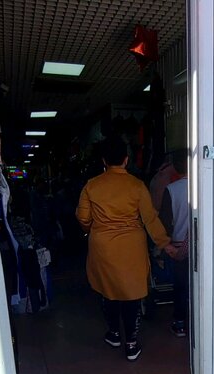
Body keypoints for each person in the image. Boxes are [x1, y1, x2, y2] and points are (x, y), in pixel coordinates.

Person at [77, 138, 176, 361]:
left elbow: (83, 217)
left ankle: (114, 334)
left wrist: (92, 229)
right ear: (126, 160)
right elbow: (150, 218)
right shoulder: (136, 185)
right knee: (131, 294)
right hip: (132, 247)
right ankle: (131, 343)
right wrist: (165, 243)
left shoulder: (92, 185)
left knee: (108, 290)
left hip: (103, 246)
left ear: (104, 161)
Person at [158, 151, 190, 338]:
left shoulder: (171, 189)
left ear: (176, 168)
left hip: (178, 248)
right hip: (203, 245)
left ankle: (180, 323)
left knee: (180, 286)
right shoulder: (205, 187)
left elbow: (165, 221)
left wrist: (164, 246)